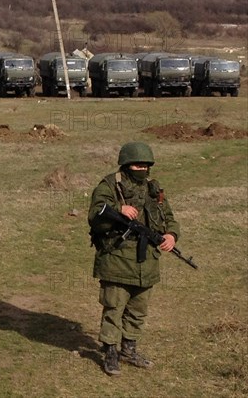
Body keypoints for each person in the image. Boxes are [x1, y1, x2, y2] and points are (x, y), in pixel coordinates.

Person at [87, 142, 180, 376]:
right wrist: (119, 209)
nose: (142, 169)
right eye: (138, 165)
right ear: (127, 165)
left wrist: (171, 235)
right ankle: (110, 352)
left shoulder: (154, 188)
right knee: (114, 307)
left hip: (146, 262)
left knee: (138, 310)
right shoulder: (109, 184)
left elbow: (168, 216)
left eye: (146, 165)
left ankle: (129, 349)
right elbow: (95, 215)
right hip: (116, 258)